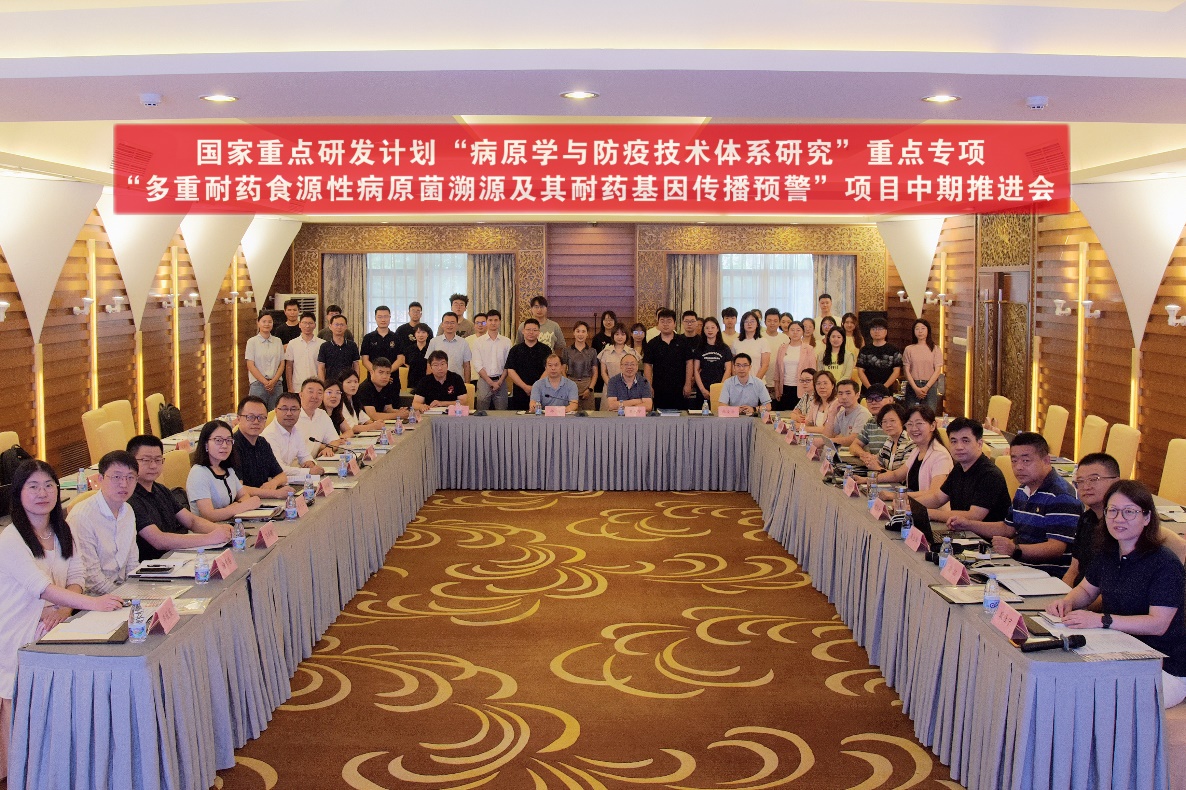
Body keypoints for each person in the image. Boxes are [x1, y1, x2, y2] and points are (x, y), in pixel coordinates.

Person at [0, 460, 124, 775]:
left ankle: (58, 767)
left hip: (53, 621)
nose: (42, 493)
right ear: (19, 493)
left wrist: (64, 611)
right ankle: (19, 772)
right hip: (17, 629)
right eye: (33, 486)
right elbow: (41, 588)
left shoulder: (62, 529)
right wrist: (93, 604)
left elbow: (76, 576)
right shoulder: (11, 539)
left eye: (48, 485)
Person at [1047, 480, 1186, 707]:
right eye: (1112, 511)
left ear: (1147, 518)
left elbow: (1158, 624)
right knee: (1065, 681)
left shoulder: (1164, 563)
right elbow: (1086, 590)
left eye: (1129, 512)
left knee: (1097, 700)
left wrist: (1102, 620)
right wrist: (1067, 602)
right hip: (1118, 651)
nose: (1119, 519)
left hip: (1163, 667)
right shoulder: (1108, 552)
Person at [990, 432, 1083, 576]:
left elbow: (1056, 548)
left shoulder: (1061, 496)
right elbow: (1008, 529)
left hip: (1047, 576)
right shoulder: (1023, 489)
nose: (1018, 467)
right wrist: (967, 524)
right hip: (1021, 569)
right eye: (1014, 461)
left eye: (1026, 461)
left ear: (1046, 460)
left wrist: (1015, 549)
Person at [126, 435, 232, 561]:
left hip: (176, 557)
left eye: (158, 460)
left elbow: (191, 521)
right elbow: (159, 540)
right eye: (146, 460)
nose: (153, 465)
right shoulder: (129, 498)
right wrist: (210, 538)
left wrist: (221, 530)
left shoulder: (160, 489)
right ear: (131, 462)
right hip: (154, 564)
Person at [910, 417, 1013, 534]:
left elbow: (974, 516)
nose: (959, 447)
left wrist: (929, 513)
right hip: (962, 533)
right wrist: (910, 505)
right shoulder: (959, 468)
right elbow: (937, 498)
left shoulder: (990, 475)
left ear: (979, 444)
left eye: (965, 441)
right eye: (954, 441)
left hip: (985, 540)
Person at [67, 450, 140, 594]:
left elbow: (132, 563)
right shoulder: (82, 517)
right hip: (93, 598)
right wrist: (124, 598)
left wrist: (137, 592)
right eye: (116, 477)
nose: (124, 484)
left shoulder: (128, 510)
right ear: (100, 479)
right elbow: (92, 578)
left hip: (123, 593)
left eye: (130, 477)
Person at [186, 421, 268, 522]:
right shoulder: (198, 473)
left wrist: (234, 506)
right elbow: (209, 515)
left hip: (229, 523)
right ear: (205, 444)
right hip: (208, 529)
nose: (225, 445)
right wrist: (240, 507)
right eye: (218, 440)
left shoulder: (227, 469)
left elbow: (244, 495)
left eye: (229, 441)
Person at [1063, 453, 1123, 588]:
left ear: (1116, 482)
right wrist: (1063, 595)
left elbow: (1112, 589)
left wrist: (1075, 600)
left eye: (1094, 479)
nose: (1086, 486)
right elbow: (1073, 571)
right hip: (1078, 595)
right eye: (1080, 481)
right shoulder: (1086, 519)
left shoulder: (1121, 527)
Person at [873, 406, 952, 499]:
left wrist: (896, 496)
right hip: (911, 503)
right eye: (910, 424)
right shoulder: (917, 450)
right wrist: (867, 479)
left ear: (932, 426)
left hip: (928, 507)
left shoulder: (940, 456)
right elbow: (896, 475)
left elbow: (934, 493)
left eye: (919, 423)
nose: (914, 428)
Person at [230, 396, 292, 490]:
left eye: (261, 417)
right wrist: (274, 494)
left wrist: (274, 482)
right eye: (250, 417)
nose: (256, 422)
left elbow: (282, 476)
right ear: (238, 419)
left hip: (264, 497)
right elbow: (238, 489)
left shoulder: (263, 443)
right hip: (246, 498)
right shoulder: (231, 445)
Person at [261, 392, 325, 473]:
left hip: (287, 478)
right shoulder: (269, 435)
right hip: (271, 479)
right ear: (276, 410)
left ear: (299, 411)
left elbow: (304, 456)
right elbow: (279, 469)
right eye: (284, 409)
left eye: (294, 409)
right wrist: (308, 471)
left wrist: (310, 463)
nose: (289, 413)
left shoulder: (296, 431)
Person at [644, 308, 694, 410]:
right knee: (660, 416)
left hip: (680, 387)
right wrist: (649, 386)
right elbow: (648, 365)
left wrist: (688, 384)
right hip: (659, 388)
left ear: (675, 323)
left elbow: (689, 363)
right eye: (662, 321)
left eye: (669, 321)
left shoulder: (683, 341)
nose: (665, 324)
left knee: (681, 416)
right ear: (658, 324)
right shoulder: (652, 343)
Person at [506, 318, 552, 411]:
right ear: (523, 331)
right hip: (520, 391)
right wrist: (525, 387)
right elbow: (510, 370)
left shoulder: (546, 350)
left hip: (541, 391)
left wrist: (535, 387)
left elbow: (548, 369)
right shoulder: (515, 350)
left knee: (540, 417)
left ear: (539, 332)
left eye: (534, 330)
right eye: (528, 329)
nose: (531, 332)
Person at [856, 402, 915, 474]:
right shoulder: (889, 441)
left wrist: (877, 468)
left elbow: (902, 476)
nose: (888, 425)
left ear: (902, 421)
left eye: (892, 421)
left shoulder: (910, 443)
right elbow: (878, 460)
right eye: (884, 421)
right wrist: (868, 459)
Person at [244, 310, 285, 410]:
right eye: (264, 321)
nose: (267, 324)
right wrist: (265, 382)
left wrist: (273, 381)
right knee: (257, 413)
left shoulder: (277, 341)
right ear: (258, 323)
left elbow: (282, 363)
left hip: (276, 385)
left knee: (275, 414)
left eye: (270, 322)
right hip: (258, 384)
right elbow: (250, 365)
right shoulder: (252, 342)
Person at [473, 309, 512, 410]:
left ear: (500, 322)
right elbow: (477, 365)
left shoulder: (506, 341)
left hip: (501, 381)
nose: (493, 323)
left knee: (502, 413)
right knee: (481, 412)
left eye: (496, 320)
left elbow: (508, 364)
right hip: (484, 381)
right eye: (490, 320)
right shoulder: (478, 342)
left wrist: (499, 382)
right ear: (486, 322)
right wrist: (490, 382)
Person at [773, 320, 817, 410]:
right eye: (792, 330)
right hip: (784, 387)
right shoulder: (782, 348)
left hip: (802, 387)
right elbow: (777, 370)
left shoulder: (808, 349)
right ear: (788, 332)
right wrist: (777, 389)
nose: (795, 332)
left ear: (802, 332)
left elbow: (813, 371)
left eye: (798, 330)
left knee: (800, 413)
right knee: (785, 414)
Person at [903, 318, 944, 410]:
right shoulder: (909, 349)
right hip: (913, 385)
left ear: (928, 330)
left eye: (923, 328)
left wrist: (926, 387)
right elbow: (906, 370)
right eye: (917, 329)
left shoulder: (936, 349)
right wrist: (915, 388)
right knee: (911, 413)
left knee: (929, 413)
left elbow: (937, 370)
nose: (920, 331)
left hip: (930, 386)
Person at [693, 317, 733, 407]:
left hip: (720, 389)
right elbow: (695, 370)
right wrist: (702, 389)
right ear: (703, 330)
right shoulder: (699, 348)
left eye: (712, 327)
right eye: (707, 328)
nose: (710, 330)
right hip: (702, 389)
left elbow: (728, 369)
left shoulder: (725, 348)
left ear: (717, 329)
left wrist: (720, 388)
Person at [818, 379, 871, 447]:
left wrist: (827, 441)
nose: (844, 397)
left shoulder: (863, 413)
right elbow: (827, 437)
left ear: (857, 395)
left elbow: (853, 440)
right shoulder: (840, 414)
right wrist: (831, 414)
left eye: (848, 393)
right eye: (840, 393)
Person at [855, 317, 902, 393]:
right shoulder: (864, 350)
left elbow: (896, 371)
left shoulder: (893, 350)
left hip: (887, 390)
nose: (876, 331)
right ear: (870, 331)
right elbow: (860, 371)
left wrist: (884, 387)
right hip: (867, 390)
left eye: (880, 329)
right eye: (873, 329)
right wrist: (870, 388)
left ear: (886, 331)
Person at [297, 378, 342, 454]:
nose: (315, 396)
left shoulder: (322, 414)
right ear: (300, 395)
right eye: (310, 392)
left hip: (314, 460)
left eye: (319, 393)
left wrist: (329, 448)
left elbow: (335, 440)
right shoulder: (292, 416)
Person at [849, 385, 894, 458]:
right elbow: (854, 446)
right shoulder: (871, 422)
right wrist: (864, 455)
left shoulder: (899, 421)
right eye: (870, 399)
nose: (873, 402)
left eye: (878, 398)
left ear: (890, 400)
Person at [284, 311, 324, 393]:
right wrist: (290, 387)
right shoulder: (292, 343)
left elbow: (324, 368)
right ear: (299, 324)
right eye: (304, 323)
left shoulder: (322, 344)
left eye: (310, 323)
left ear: (315, 325)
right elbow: (289, 366)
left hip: (316, 386)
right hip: (297, 387)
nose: (307, 326)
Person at [563, 321, 599, 411]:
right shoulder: (566, 350)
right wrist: (568, 385)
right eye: (578, 331)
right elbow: (562, 371)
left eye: (583, 331)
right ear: (574, 333)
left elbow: (595, 373)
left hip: (587, 384)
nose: (580, 334)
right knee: (571, 413)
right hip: (571, 383)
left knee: (589, 414)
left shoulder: (592, 351)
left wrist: (590, 389)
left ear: (587, 334)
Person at [356, 357, 406, 422]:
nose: (384, 376)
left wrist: (402, 412)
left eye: (387, 373)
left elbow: (387, 409)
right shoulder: (364, 388)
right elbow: (373, 416)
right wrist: (398, 415)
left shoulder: (386, 385)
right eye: (381, 372)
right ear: (372, 372)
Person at [428, 312, 473, 381]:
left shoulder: (464, 343)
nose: (449, 325)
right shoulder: (434, 341)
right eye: (447, 323)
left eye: (452, 323)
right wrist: (429, 382)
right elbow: (429, 364)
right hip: (437, 381)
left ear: (457, 325)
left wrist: (467, 383)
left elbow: (467, 365)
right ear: (442, 325)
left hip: (457, 381)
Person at [360, 305, 403, 375]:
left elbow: (400, 359)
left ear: (390, 318)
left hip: (392, 377)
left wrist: (387, 373)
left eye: (386, 316)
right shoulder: (368, 337)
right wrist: (377, 374)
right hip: (373, 377)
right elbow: (365, 360)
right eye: (380, 317)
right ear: (375, 318)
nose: (383, 320)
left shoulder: (397, 337)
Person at [317, 313, 360, 383]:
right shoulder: (324, 346)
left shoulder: (352, 345)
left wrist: (356, 382)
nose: (339, 327)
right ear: (330, 326)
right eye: (336, 324)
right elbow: (321, 368)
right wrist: (323, 385)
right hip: (330, 384)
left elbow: (356, 366)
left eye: (342, 325)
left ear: (346, 327)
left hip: (348, 383)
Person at [598, 324, 633, 411]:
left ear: (627, 336)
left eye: (623, 334)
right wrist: (611, 385)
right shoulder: (606, 352)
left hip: (627, 388)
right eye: (617, 334)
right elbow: (603, 372)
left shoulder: (632, 352)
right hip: (609, 387)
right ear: (613, 335)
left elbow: (634, 371)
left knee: (626, 413)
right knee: (607, 414)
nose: (620, 337)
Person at [730, 311, 769, 382]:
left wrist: (755, 381)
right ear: (742, 324)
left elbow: (765, 365)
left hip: (757, 382)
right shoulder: (736, 341)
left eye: (752, 321)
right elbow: (733, 364)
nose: (749, 324)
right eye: (746, 321)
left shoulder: (763, 341)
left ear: (757, 324)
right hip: (739, 383)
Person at [761, 308, 789, 392]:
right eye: (769, 321)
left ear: (779, 322)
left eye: (775, 321)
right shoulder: (759, 337)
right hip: (762, 381)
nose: (772, 323)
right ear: (765, 322)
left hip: (780, 382)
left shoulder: (785, 338)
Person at [402, 323, 432, 393]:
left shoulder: (431, 349)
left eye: (423, 332)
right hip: (412, 382)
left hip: (427, 382)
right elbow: (405, 363)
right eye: (418, 332)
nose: (420, 335)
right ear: (415, 334)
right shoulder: (409, 349)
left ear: (427, 334)